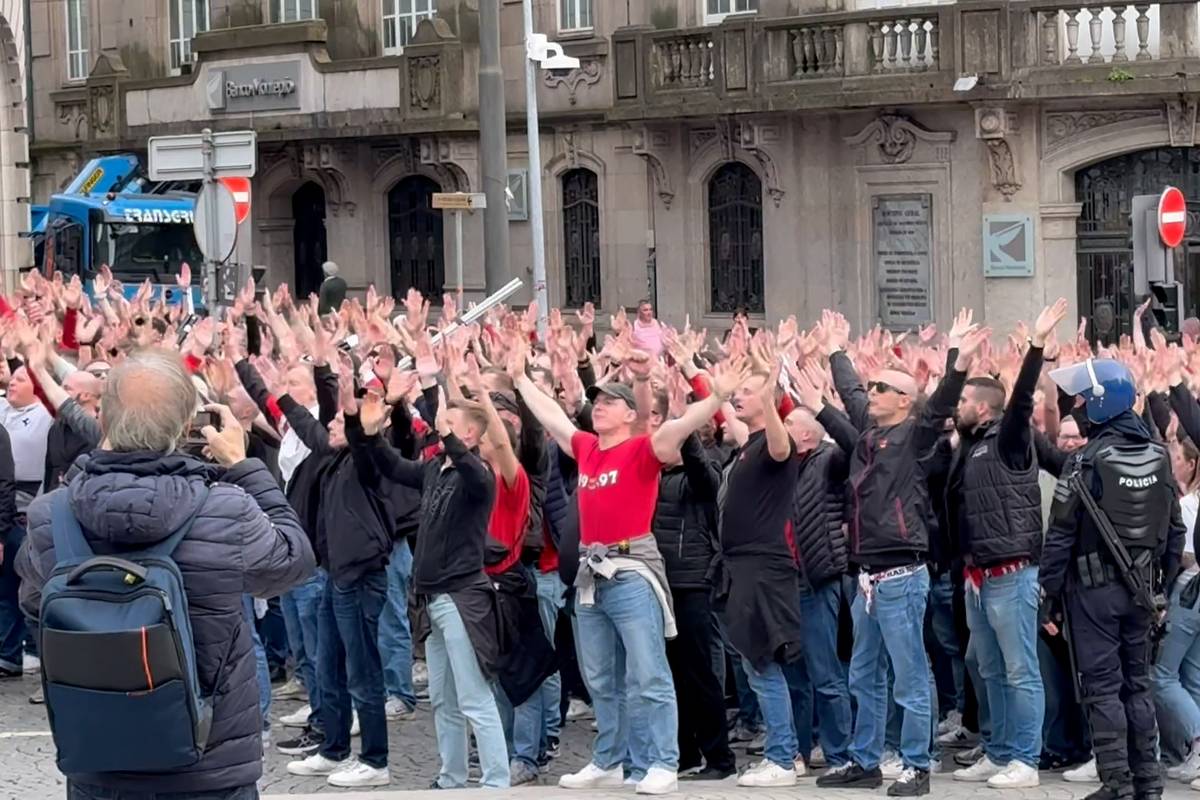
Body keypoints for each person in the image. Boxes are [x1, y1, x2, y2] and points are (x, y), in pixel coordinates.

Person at [15, 348, 316, 799]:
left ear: (104, 421)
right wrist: (243, 467)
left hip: (100, 759)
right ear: (183, 426)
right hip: (206, 761)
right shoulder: (225, 509)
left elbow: (36, 608)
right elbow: (294, 561)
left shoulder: (50, 515)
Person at [513, 347, 748, 796]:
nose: (598, 407)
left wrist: (714, 397)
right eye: (595, 402)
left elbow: (680, 426)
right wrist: (521, 379)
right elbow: (553, 419)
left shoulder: (645, 449)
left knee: (648, 673)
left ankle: (660, 760)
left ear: (628, 415)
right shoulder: (586, 448)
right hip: (589, 574)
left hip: (631, 571)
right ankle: (610, 759)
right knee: (601, 676)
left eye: (608, 402)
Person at [816, 312, 985, 797]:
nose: (870, 392)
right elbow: (848, 396)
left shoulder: (915, 437)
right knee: (863, 671)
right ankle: (866, 760)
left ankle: (917, 764)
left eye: (881, 388)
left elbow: (941, 407)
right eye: (871, 386)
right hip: (868, 575)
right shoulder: (871, 439)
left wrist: (954, 362)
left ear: (906, 401)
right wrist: (835, 351)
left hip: (901, 576)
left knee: (910, 675)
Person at [1042, 358, 1186, 800]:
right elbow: (1175, 532)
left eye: (1082, 399)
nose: (1077, 408)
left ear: (1103, 404)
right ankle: (1149, 782)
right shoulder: (1159, 457)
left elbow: (1060, 536)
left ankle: (1117, 783)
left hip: (1093, 594)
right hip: (1142, 593)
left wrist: (1047, 594)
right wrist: (1159, 583)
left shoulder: (1083, 461)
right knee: (1137, 685)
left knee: (1102, 689)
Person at [947, 299, 1065, 789]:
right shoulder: (970, 444)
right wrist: (954, 356)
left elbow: (1018, 402)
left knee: (1020, 671)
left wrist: (1036, 346)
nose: (956, 409)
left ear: (981, 407)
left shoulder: (1009, 439)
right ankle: (997, 751)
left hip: (1013, 574)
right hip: (978, 576)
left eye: (962, 402)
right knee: (982, 663)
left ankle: (1025, 759)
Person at [717, 347, 805, 788]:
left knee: (763, 662)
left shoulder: (774, 446)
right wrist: (705, 379)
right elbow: (726, 414)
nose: (739, 397)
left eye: (747, 393)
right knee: (756, 664)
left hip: (762, 567)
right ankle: (785, 753)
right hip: (740, 567)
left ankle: (782, 758)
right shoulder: (746, 444)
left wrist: (769, 394)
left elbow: (780, 443)